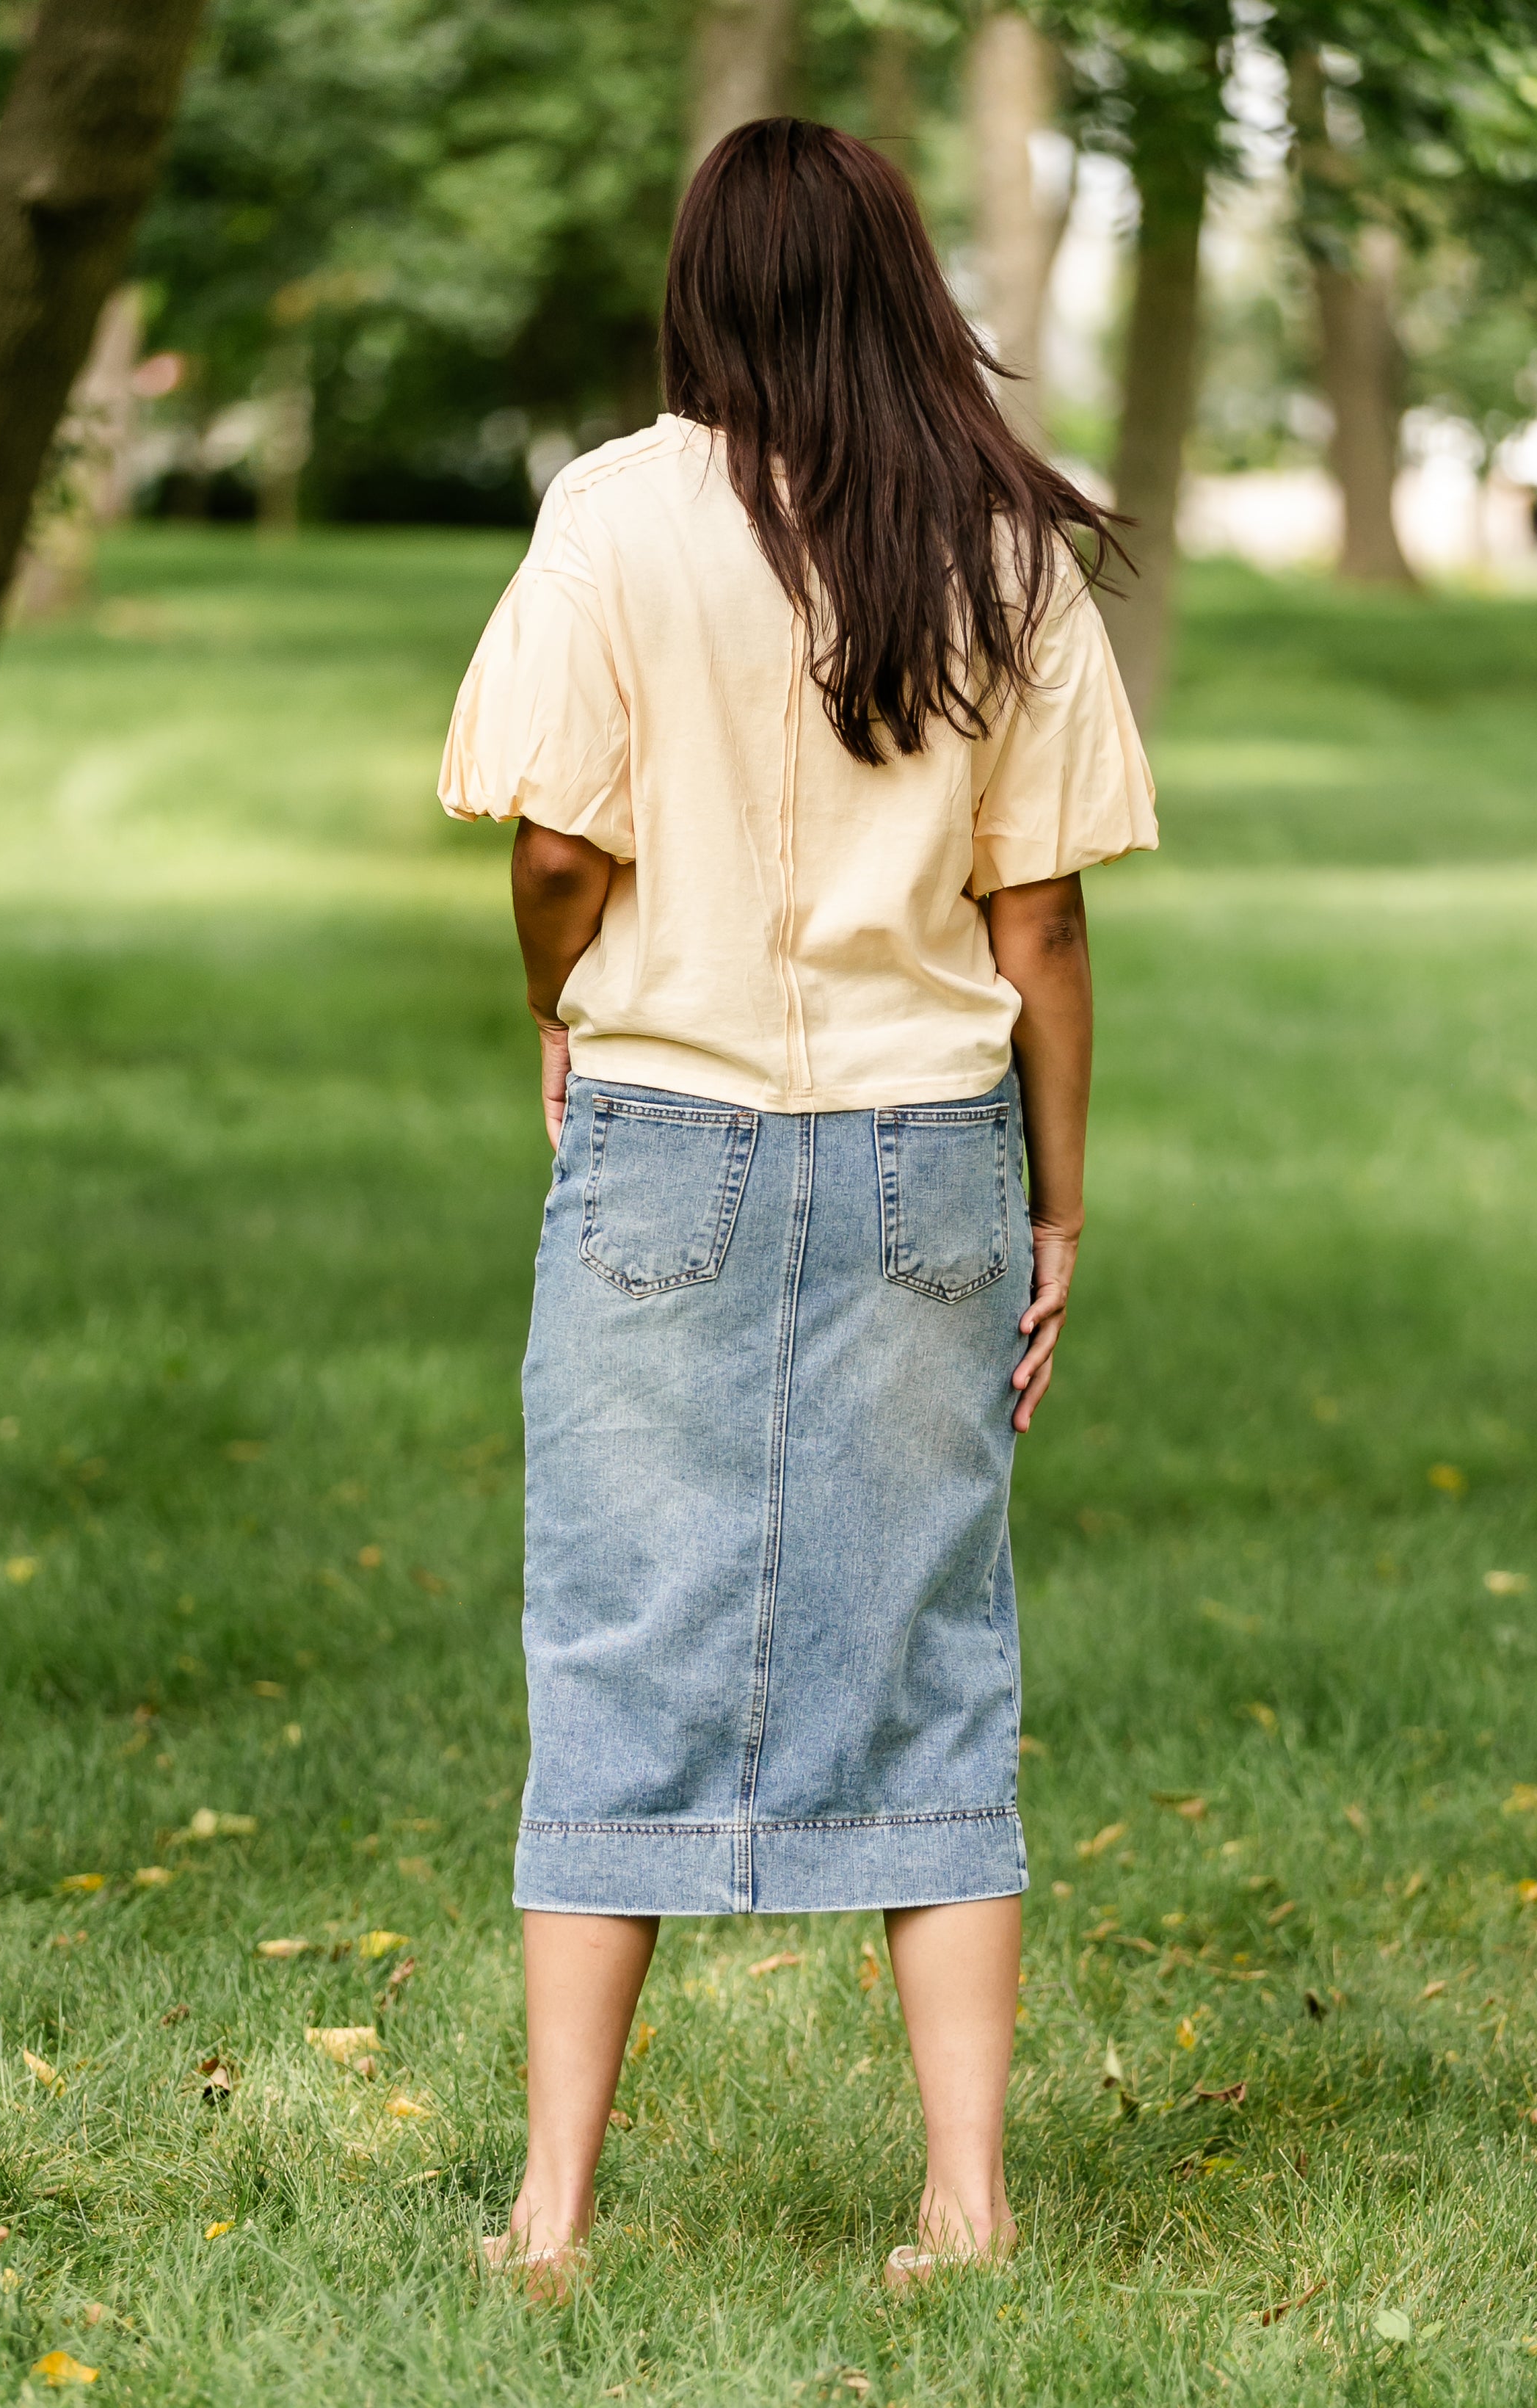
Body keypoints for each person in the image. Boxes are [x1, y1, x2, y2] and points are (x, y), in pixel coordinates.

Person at [439, 115, 1156, 2297]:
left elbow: (554, 850)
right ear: (897, 287)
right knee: (936, 1652)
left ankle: (553, 2216)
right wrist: (1054, 1210)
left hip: (667, 1129)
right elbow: (1041, 926)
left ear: (703, 293)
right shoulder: (998, 537)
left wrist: (555, 1004)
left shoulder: (614, 513)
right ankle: (967, 2205)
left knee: (615, 1633)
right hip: (931, 1149)